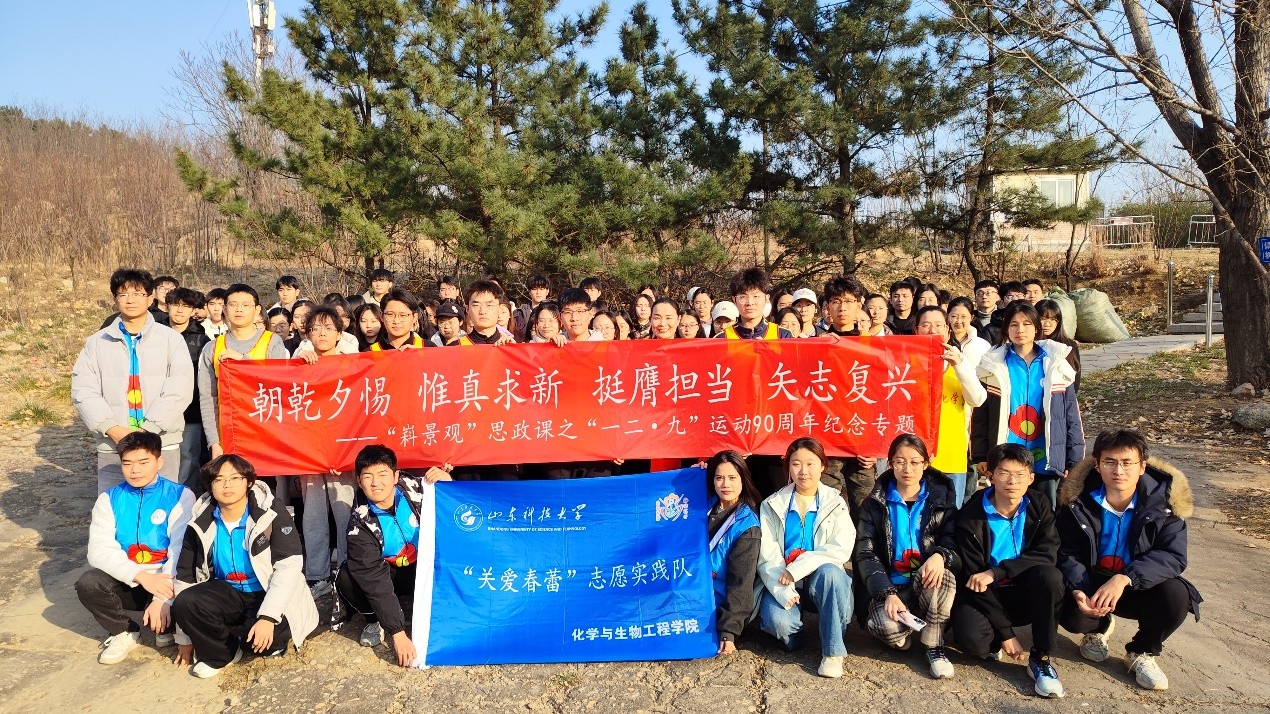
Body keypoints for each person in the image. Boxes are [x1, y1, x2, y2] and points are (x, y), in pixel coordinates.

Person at [1057, 430, 1202, 691]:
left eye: (1127, 463)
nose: (1118, 471)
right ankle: (1098, 628)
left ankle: (1141, 651)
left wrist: (1125, 578)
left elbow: (1172, 556)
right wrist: (1078, 588)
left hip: (1136, 585)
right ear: (1097, 465)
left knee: (1176, 595)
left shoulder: (1166, 504)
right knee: (1070, 611)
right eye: (1110, 462)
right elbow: (1067, 551)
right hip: (1092, 583)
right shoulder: (1078, 501)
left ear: (1142, 466)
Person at [171, 455, 318, 678]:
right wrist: (185, 637)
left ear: (249, 481)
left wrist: (268, 617)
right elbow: (185, 575)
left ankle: (253, 633)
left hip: (267, 590)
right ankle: (222, 654)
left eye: (235, 478)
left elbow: (289, 565)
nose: (227, 485)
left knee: (266, 641)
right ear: (210, 485)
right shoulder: (200, 519)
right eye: (219, 479)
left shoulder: (271, 511)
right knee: (186, 601)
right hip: (227, 591)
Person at [952, 443, 1067, 699]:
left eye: (1020, 474)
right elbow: (974, 578)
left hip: (1025, 591)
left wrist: (998, 572)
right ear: (990, 475)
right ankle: (995, 637)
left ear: (1031, 478)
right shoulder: (970, 517)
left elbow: (1047, 553)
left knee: (1051, 577)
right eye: (1004, 473)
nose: (1012, 481)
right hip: (985, 596)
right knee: (973, 642)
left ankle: (1041, 658)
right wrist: (1006, 634)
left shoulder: (1039, 504)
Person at [75, 432, 195, 664]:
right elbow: (99, 551)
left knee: (176, 610)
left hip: (166, 578)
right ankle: (123, 631)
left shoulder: (181, 496)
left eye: (143, 462)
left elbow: (180, 550)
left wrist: (162, 598)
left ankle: (165, 623)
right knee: (89, 583)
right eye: (127, 463)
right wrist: (141, 576)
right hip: (132, 578)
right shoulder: (109, 499)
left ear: (159, 462)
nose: (134, 470)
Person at [73, 269, 193, 492]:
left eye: (138, 294)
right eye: (123, 294)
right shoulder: (97, 342)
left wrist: (149, 430)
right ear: (115, 299)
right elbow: (83, 390)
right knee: (114, 506)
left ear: (150, 298)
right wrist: (112, 429)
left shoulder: (171, 340)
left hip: (161, 443)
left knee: (162, 507)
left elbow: (180, 389)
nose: (130, 300)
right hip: (113, 444)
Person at [854, 434, 960, 679]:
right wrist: (887, 593)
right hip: (891, 587)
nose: (907, 469)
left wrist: (940, 555)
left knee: (943, 576)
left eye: (914, 462)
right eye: (900, 461)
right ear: (890, 463)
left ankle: (934, 647)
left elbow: (953, 540)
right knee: (888, 631)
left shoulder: (941, 500)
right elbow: (866, 554)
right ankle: (913, 628)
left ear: (926, 463)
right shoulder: (874, 503)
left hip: (926, 584)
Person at [337, 445, 446, 666]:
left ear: (396, 476)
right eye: (368, 476)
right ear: (359, 481)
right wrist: (397, 632)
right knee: (346, 576)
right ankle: (374, 620)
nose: (375, 483)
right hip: (390, 574)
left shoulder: (420, 489)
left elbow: (459, 512)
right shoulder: (359, 524)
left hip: (424, 567)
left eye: (382, 474)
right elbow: (373, 578)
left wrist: (448, 484)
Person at [757, 438, 855, 678]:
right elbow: (767, 555)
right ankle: (803, 634)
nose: (803, 471)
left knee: (831, 572)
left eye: (810, 463)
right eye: (796, 464)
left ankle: (832, 652)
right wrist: (782, 589)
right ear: (788, 468)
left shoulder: (835, 502)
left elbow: (840, 548)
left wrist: (799, 568)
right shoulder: (772, 504)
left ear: (823, 466)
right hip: (784, 581)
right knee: (780, 625)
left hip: (823, 584)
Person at [971, 300, 1084, 509]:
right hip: (1006, 455)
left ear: (1036, 328)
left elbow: (1070, 414)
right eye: (1013, 325)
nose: (1020, 330)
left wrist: (1074, 459)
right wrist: (981, 455)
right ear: (1006, 329)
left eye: (1026, 324)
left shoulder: (1057, 364)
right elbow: (981, 415)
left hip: (1046, 456)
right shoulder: (993, 365)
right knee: (1006, 508)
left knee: (1045, 511)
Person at [291, 306, 359, 597]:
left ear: (339, 334)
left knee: (345, 513)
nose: (321, 333)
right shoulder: (298, 363)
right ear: (307, 334)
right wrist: (299, 364)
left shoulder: (353, 364)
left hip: (343, 453)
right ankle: (317, 574)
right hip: (310, 452)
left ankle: (346, 573)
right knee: (313, 515)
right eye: (315, 328)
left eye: (328, 328)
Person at [198, 283, 290, 460]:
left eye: (246, 305)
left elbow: (279, 385)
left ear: (257, 310)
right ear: (224, 309)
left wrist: (243, 362)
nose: (239, 309)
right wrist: (214, 442)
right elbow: (208, 398)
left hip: (266, 431)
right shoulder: (212, 348)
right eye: (233, 304)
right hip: (229, 434)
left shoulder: (272, 341)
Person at [915, 306, 987, 506]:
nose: (932, 330)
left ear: (947, 331)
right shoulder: (906, 364)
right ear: (916, 330)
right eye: (926, 325)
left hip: (951, 455)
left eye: (939, 325)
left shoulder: (961, 362)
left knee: (950, 515)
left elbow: (978, 399)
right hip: (914, 458)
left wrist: (960, 365)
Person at [706, 450, 762, 655]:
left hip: (717, 606)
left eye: (732, 478)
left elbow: (741, 582)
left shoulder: (746, 526)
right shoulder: (703, 506)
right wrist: (693, 475)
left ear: (743, 480)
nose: (725, 484)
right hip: (691, 593)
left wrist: (728, 631)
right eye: (719, 478)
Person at [166, 288, 211, 491]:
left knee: (188, 456)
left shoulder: (202, 340)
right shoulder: (155, 335)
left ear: (193, 310)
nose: (179, 310)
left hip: (191, 409)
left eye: (185, 306)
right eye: (175, 305)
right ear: (167, 306)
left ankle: (184, 497)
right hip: (158, 407)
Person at [715, 267, 793, 340]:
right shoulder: (722, 338)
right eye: (743, 297)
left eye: (756, 296)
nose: (750, 303)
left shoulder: (783, 335)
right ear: (734, 300)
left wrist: (767, 349)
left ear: (766, 298)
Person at [1035, 298, 1082, 393]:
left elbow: (1075, 376)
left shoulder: (1068, 346)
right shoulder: (1029, 344)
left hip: (1060, 394)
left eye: (1053, 319)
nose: (1047, 324)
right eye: (1043, 319)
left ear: (1059, 322)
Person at [947, 296, 990, 365]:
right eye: (954, 316)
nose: (959, 321)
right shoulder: (942, 341)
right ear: (948, 316)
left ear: (971, 318)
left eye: (963, 317)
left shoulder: (982, 345)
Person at [512, 274, 551, 339]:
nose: (538, 292)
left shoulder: (555, 312)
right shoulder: (519, 313)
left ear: (547, 291)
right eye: (534, 289)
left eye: (541, 289)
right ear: (529, 292)